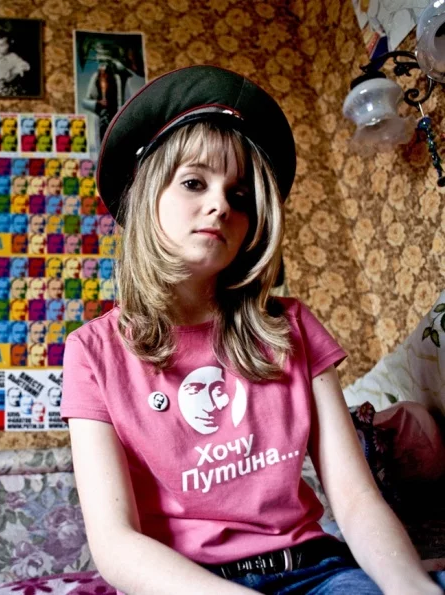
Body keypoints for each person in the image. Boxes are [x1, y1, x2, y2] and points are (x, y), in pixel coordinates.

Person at [61, 66, 445, 595]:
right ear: (145, 195)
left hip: (316, 572)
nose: (221, 205)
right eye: (194, 183)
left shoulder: (292, 326)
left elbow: (356, 499)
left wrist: (410, 586)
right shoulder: (91, 351)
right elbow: (115, 544)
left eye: (240, 196)